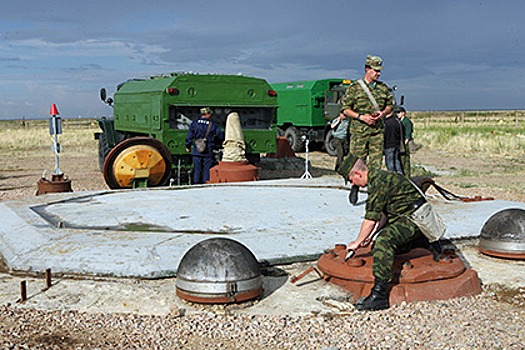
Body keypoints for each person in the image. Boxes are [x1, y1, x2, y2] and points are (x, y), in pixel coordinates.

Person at [345, 157, 441, 311]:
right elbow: (384, 214)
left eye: (352, 180)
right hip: (406, 217)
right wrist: (370, 235)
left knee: (384, 241)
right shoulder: (378, 178)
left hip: (416, 220)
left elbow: (370, 219)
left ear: (359, 174)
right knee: (379, 243)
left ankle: (379, 295)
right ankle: (419, 241)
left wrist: (357, 242)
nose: (352, 184)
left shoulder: (378, 183)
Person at [339, 55, 394, 205]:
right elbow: (345, 109)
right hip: (359, 133)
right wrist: (361, 117)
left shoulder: (383, 88)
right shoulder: (355, 88)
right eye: (375, 70)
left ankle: (374, 192)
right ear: (367, 69)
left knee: (376, 164)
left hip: (377, 132)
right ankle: (355, 187)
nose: (378, 73)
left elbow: (390, 105)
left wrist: (383, 113)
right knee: (357, 162)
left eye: (380, 71)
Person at [185, 107, 224, 184]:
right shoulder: (212, 125)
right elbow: (220, 136)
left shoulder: (194, 124)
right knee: (207, 169)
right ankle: (205, 184)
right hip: (208, 149)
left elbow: (189, 136)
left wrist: (188, 146)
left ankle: (196, 184)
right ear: (207, 114)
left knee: (197, 169)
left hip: (197, 149)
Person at [383, 110, 404, 174]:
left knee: (390, 163)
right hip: (396, 144)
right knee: (397, 161)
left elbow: (384, 134)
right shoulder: (397, 121)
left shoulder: (385, 122)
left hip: (388, 145)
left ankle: (392, 177)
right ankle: (401, 177)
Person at [397, 107, 414, 178]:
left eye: (399, 112)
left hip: (405, 143)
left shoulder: (407, 122)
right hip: (401, 142)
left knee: (405, 160)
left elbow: (408, 132)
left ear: (403, 113)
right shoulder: (400, 121)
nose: (397, 114)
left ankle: (407, 176)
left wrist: (406, 141)